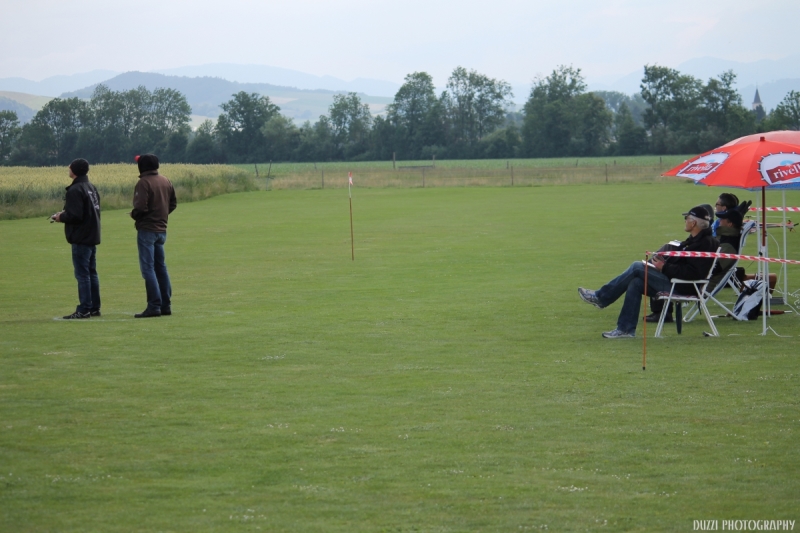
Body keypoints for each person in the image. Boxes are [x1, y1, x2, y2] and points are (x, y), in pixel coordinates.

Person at [578, 206, 717, 338]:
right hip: (678, 283)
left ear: (693, 223)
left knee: (637, 267)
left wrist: (664, 267)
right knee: (636, 283)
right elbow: (686, 265)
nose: (685, 221)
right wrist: (664, 262)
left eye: (686, 218)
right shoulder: (697, 240)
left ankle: (601, 297)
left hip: (683, 287)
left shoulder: (704, 244)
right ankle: (625, 330)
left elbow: (693, 273)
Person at [51, 158, 102, 319]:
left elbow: (76, 215)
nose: (68, 168)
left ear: (75, 170)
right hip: (92, 234)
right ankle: (94, 307)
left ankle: (84, 308)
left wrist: (60, 217)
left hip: (81, 236)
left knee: (82, 274)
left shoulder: (75, 190)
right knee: (91, 273)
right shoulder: (91, 187)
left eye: (71, 166)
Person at [130, 154, 177, 318]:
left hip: (147, 230)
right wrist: (161, 215)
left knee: (148, 269)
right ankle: (165, 304)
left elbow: (140, 207)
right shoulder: (166, 180)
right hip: (161, 230)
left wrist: (134, 215)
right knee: (160, 267)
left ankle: (154, 305)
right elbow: (173, 204)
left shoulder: (143, 183)